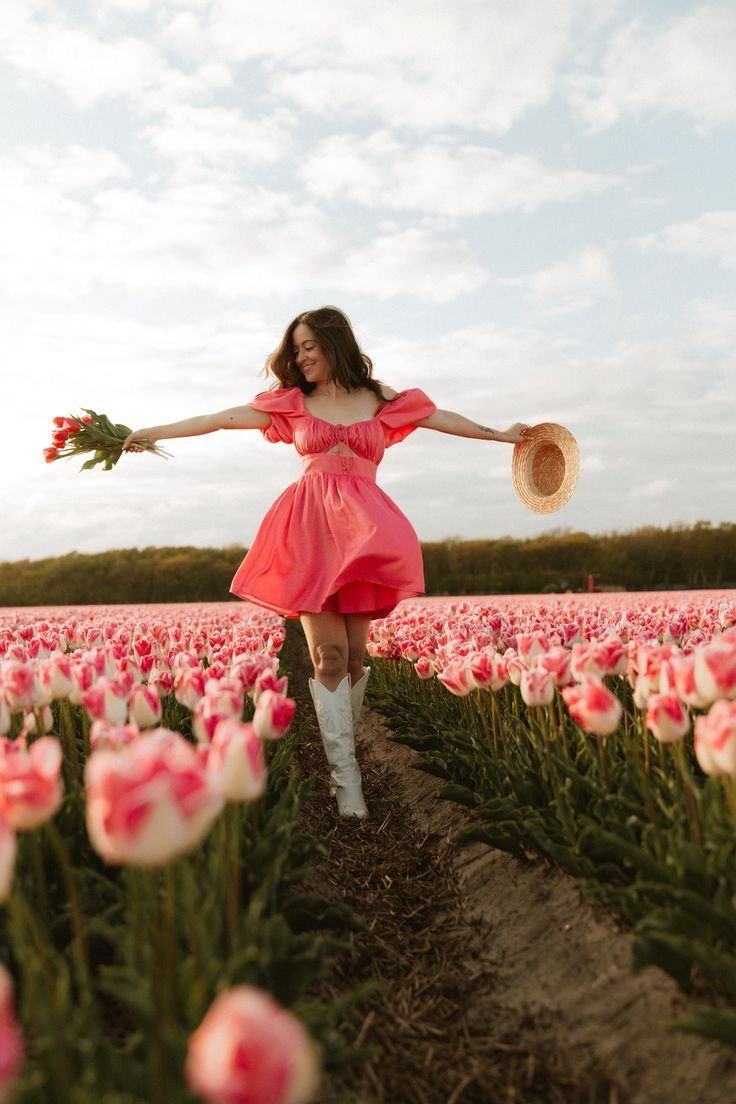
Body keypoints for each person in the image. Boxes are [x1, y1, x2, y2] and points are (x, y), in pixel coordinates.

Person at [123, 306, 531, 822]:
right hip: (310, 535)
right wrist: (153, 431)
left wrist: (502, 434)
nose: (300, 357)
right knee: (329, 659)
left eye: (308, 346)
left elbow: (444, 419)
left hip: (365, 539)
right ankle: (347, 781)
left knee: (357, 659)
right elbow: (220, 419)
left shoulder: (383, 401)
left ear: (335, 343)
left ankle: (350, 749)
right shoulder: (294, 403)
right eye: (295, 349)